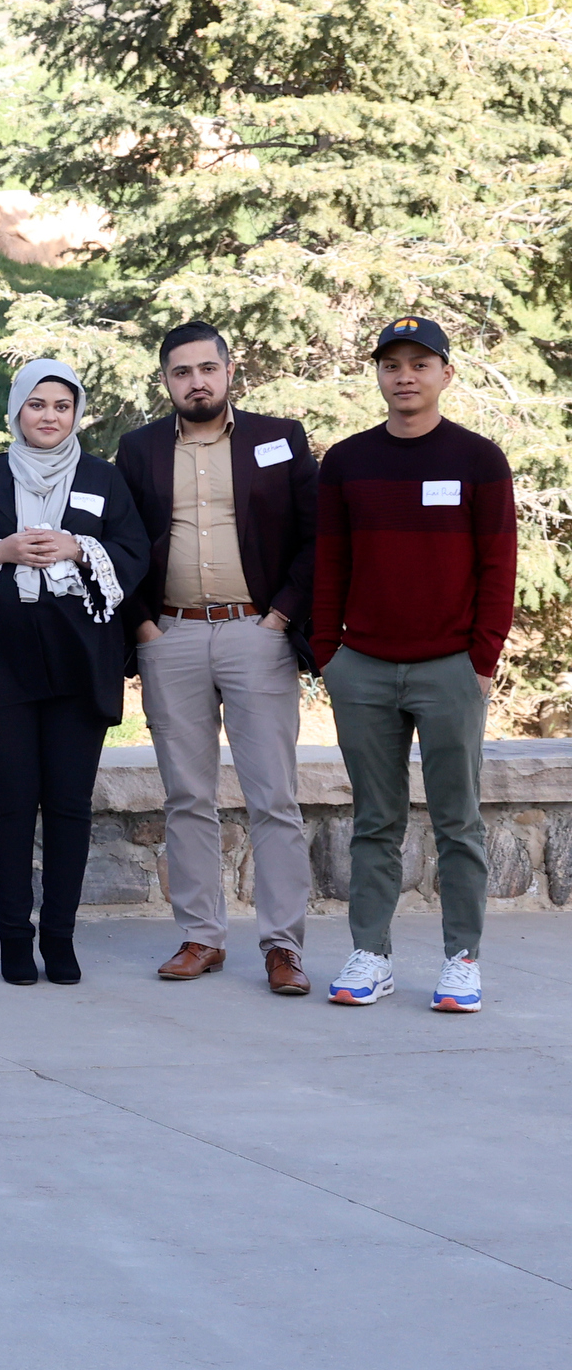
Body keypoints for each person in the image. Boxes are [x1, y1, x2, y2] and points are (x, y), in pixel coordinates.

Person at [113, 321, 321, 995]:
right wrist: (142, 627)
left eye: (207, 368)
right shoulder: (138, 448)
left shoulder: (277, 439)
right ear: (166, 381)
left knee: (274, 798)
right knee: (186, 797)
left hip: (254, 634)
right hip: (169, 638)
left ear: (230, 372)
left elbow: (317, 537)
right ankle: (201, 936)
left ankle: (283, 945)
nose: (196, 381)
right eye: (182, 372)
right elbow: (118, 543)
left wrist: (280, 618)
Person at [314, 316, 515, 1013]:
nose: (405, 375)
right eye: (392, 364)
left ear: (445, 375)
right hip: (361, 666)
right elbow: (329, 563)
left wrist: (482, 655)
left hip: (450, 667)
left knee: (459, 821)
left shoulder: (479, 460)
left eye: (419, 364)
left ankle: (462, 958)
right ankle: (372, 953)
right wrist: (327, 653)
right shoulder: (345, 462)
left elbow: (498, 565)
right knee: (375, 819)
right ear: (377, 374)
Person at [0, 359, 149, 986]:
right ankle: (12, 937)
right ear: (16, 410)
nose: (50, 416)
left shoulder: (103, 479)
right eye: (37, 404)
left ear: (77, 413)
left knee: (68, 805)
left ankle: (59, 936)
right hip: (0, 661)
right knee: (9, 804)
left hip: (80, 661)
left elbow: (136, 554)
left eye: (62, 405)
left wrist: (80, 548)